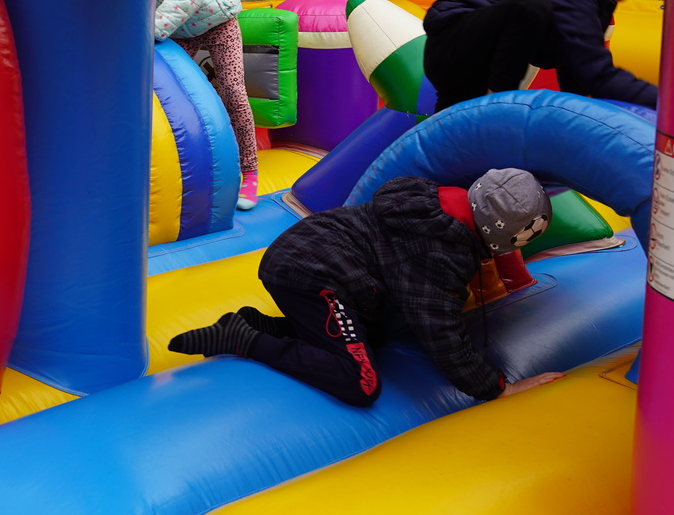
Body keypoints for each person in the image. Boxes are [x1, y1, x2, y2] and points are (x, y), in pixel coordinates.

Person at [169, 169, 564, 407]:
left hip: (316, 256)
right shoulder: (440, 252)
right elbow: (440, 329)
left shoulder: (438, 204)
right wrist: (495, 388)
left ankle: (259, 324)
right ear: (504, 238)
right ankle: (244, 339)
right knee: (361, 382)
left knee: (375, 334)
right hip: (312, 272)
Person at [422, 0, 662, 111]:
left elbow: (579, 66)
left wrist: (580, 114)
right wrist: (667, 106)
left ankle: (491, 108)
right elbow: (598, 76)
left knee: (451, 124)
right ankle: (497, 104)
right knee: (531, 6)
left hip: (479, 58)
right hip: (454, 41)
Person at [155, 0, 259, 209]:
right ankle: (179, 168)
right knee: (167, 96)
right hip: (180, 28)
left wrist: (153, 28)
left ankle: (249, 171)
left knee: (232, 90)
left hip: (217, 19)